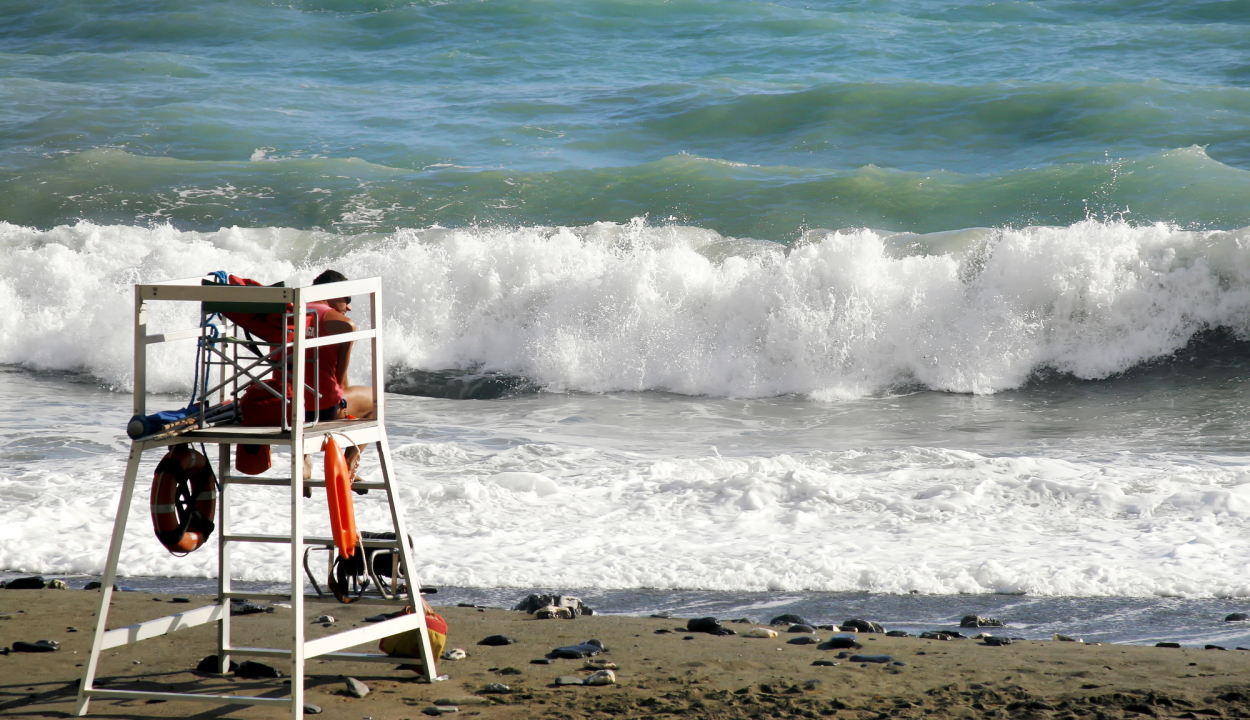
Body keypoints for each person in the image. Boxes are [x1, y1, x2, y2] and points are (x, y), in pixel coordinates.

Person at [306, 269, 373, 483]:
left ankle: (304, 461)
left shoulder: (286, 314)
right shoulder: (344, 325)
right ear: (335, 293)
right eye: (347, 299)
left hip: (282, 407)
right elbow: (340, 381)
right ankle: (348, 469)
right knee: (375, 400)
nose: (349, 306)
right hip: (320, 410)